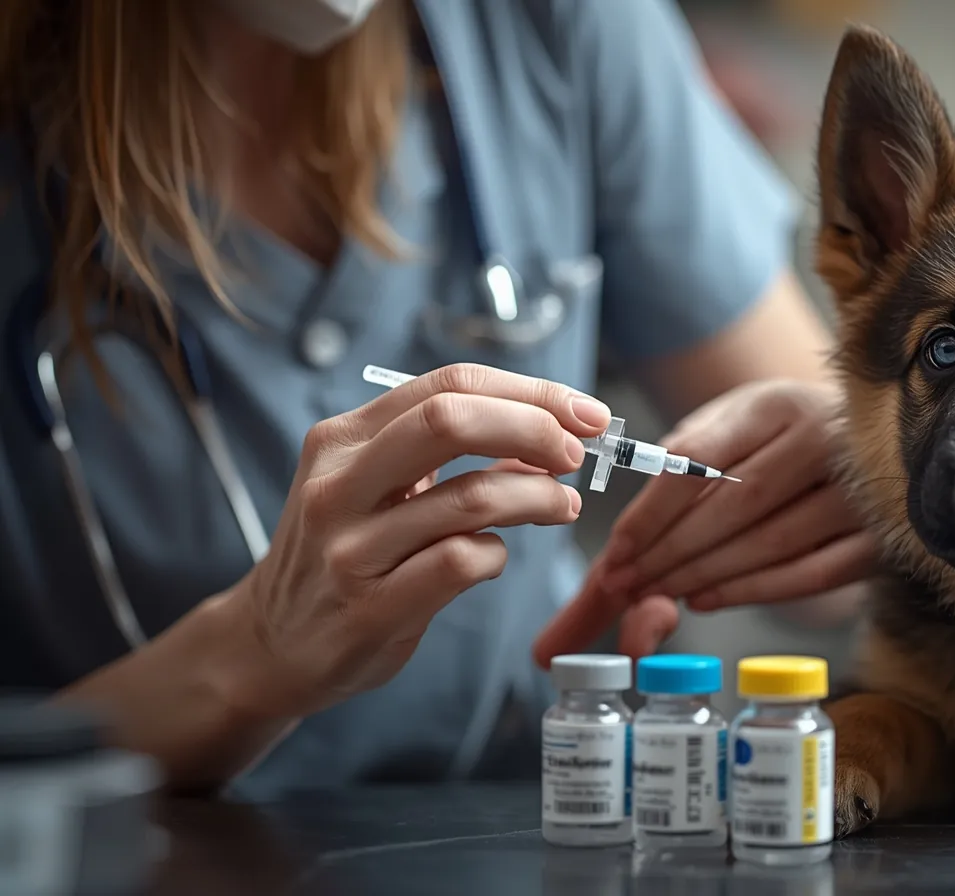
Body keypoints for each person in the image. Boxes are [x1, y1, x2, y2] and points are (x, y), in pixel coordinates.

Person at [0, 0, 872, 799]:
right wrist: (255, 653)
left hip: (535, 813)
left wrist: (844, 480)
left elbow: (848, 525)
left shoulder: (544, 25)